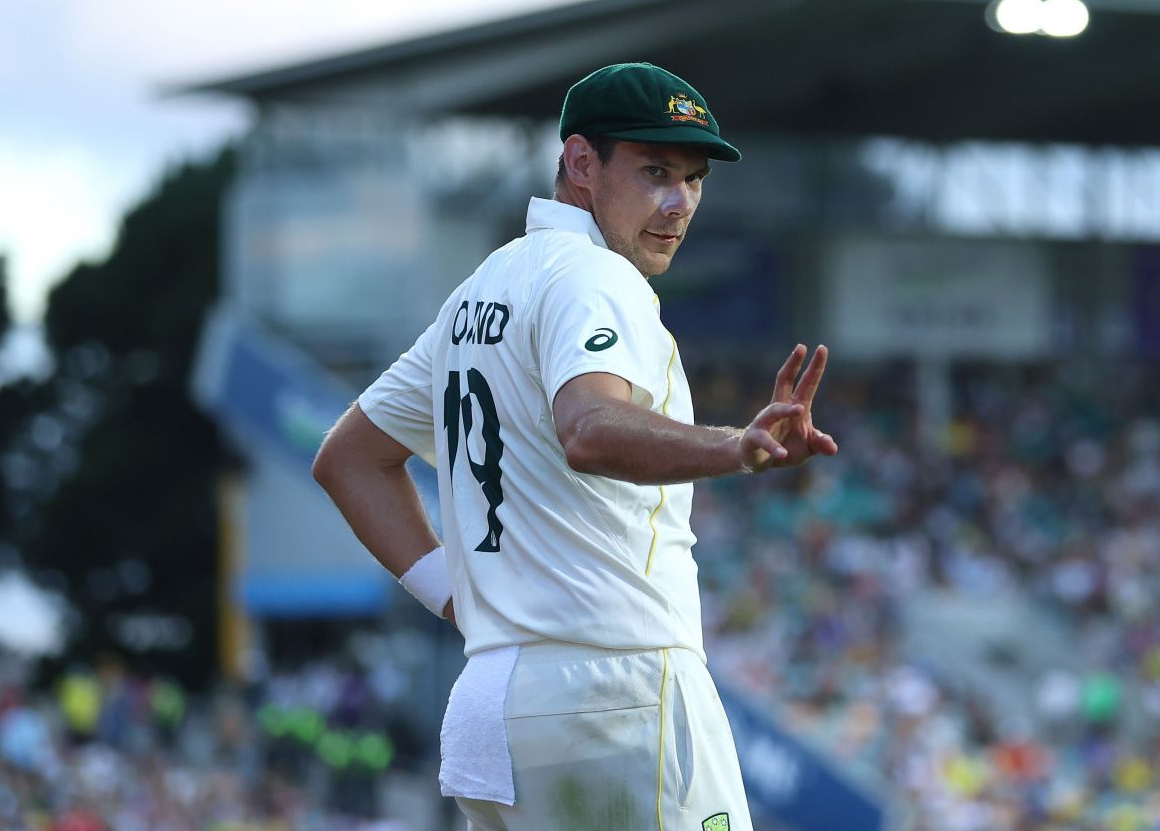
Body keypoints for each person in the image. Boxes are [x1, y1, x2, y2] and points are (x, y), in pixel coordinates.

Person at [313, 62, 837, 830]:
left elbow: (348, 458)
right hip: (616, 690)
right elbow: (589, 428)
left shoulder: (480, 291)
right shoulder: (596, 276)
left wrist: (457, 599)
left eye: (693, 179)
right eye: (655, 170)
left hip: (492, 706)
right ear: (581, 162)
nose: (678, 202)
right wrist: (737, 446)